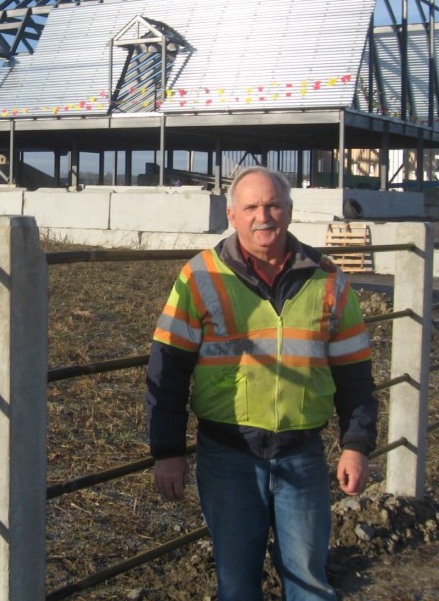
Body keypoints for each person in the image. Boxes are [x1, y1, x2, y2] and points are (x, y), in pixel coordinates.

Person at [146, 165, 378, 601]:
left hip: (303, 453)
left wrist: (356, 444)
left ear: (289, 211)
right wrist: (169, 451)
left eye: (273, 205)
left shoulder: (328, 278)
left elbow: (355, 373)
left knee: (310, 581)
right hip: (228, 455)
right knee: (236, 584)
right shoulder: (201, 275)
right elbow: (168, 371)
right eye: (251, 206)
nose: (263, 216)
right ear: (231, 215)